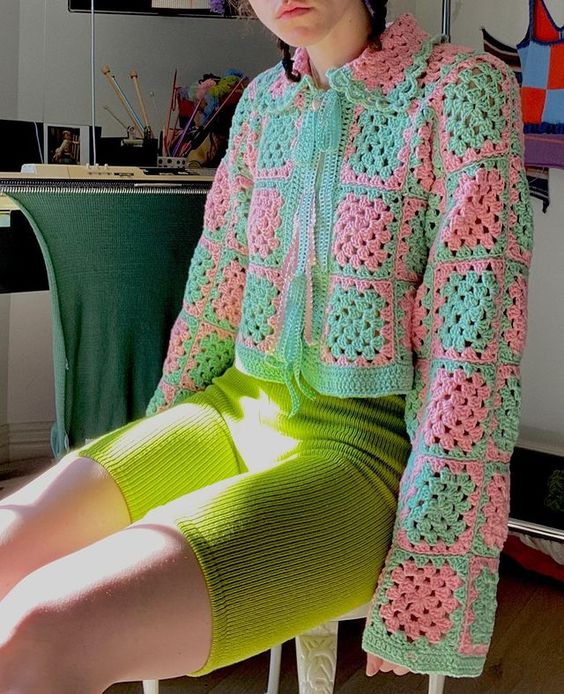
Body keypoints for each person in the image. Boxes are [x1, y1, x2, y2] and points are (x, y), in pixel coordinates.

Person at [0, 0, 534, 690]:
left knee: (45, 630)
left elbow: (473, 359)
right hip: (230, 413)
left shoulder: (461, 93)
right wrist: (157, 452)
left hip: (363, 452)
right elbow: (213, 302)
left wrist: (433, 561)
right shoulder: (259, 106)